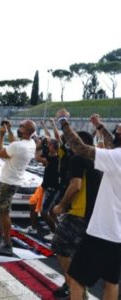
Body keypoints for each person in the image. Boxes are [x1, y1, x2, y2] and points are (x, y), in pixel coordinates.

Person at [55, 109, 121, 300]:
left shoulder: (117, 158)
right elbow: (113, 145)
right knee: (111, 282)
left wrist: (63, 122)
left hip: (102, 233)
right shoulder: (116, 156)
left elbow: (81, 149)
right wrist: (99, 127)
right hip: (117, 236)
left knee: (75, 280)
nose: (116, 130)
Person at [50, 131, 102, 299]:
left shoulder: (78, 158)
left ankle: (74, 286)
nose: (68, 144)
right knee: (78, 253)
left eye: (71, 141)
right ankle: (76, 286)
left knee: (60, 245)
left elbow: (76, 185)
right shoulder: (97, 158)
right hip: (94, 216)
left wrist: (61, 206)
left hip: (79, 214)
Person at [0, 120, 36, 255]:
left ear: (27, 131)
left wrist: (1, 135)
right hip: (14, 180)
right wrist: (9, 130)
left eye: (21, 126)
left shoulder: (18, 146)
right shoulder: (30, 143)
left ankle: (7, 244)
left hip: (7, 182)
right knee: (3, 211)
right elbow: (14, 143)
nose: (19, 127)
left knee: (4, 213)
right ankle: (0, 234)